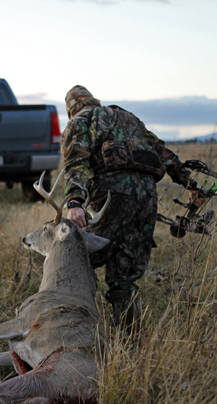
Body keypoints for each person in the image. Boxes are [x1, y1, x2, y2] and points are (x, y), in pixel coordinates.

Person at [61, 85, 194, 331]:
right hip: (147, 195)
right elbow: (161, 152)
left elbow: (76, 163)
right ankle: (130, 345)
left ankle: (69, 326)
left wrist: (75, 202)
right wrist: (188, 180)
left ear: (71, 109)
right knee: (125, 273)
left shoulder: (79, 121)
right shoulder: (127, 117)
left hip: (114, 194)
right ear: (93, 100)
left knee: (79, 256)